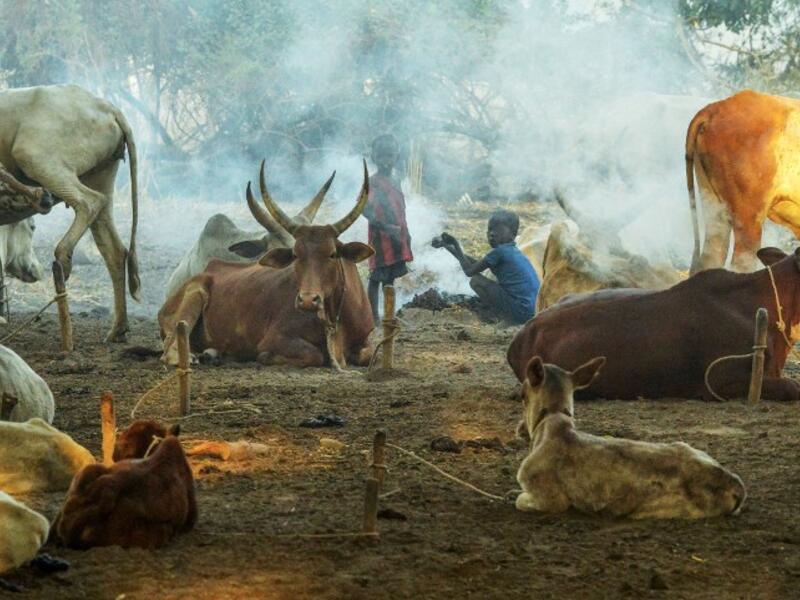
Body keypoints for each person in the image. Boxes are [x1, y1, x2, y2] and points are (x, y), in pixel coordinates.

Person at [433, 209, 539, 324]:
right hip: (533, 311)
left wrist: (455, 243)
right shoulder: (512, 250)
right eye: (490, 229)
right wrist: (447, 246)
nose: (492, 234)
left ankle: (501, 318)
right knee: (480, 278)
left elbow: (469, 271)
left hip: (521, 312)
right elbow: (475, 264)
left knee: (476, 281)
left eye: (499, 230)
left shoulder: (500, 252)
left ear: (513, 234)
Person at [363, 134, 413, 326]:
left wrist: (405, 232)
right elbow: (363, 210)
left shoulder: (397, 179)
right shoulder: (372, 182)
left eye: (390, 156)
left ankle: (388, 312)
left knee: (390, 276)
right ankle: (373, 316)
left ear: (396, 157)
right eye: (382, 156)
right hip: (380, 237)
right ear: (374, 157)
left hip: (397, 236)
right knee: (376, 276)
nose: (386, 161)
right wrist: (384, 227)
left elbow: (400, 206)